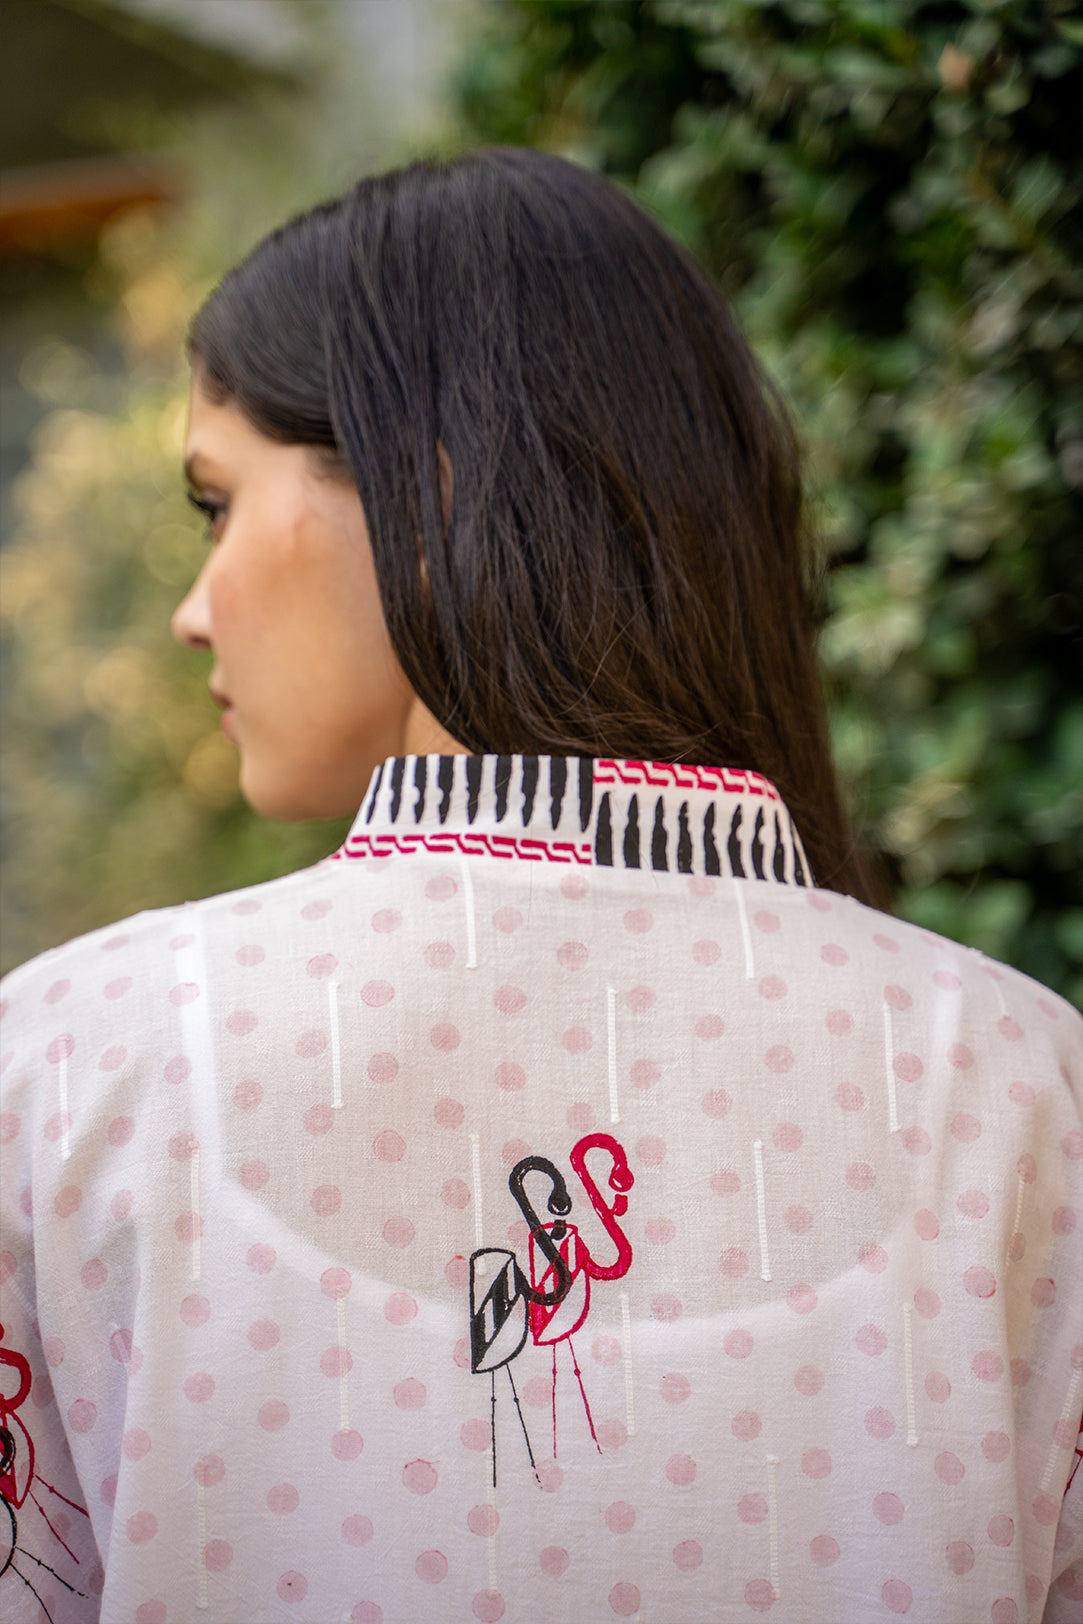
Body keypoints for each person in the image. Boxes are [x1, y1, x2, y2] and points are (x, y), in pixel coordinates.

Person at [0, 146, 1078, 1624]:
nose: (194, 612)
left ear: (428, 486)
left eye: (215, 502)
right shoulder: (1020, 1088)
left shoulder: (73, 1069)